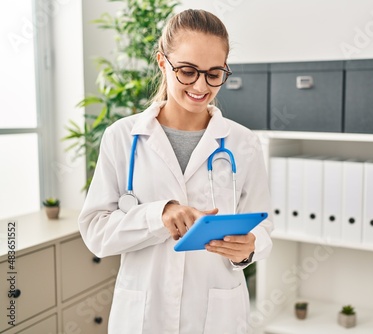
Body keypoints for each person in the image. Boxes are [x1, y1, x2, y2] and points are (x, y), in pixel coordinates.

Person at [78, 9, 273, 334]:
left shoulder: (243, 143)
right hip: (144, 315)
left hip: (217, 316)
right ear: (162, 62)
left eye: (214, 74)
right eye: (187, 71)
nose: (201, 85)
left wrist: (250, 246)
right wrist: (159, 216)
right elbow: (95, 232)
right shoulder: (122, 138)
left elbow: (264, 225)